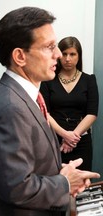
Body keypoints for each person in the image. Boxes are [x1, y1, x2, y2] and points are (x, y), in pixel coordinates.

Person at [0, 7, 100, 216]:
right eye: (50, 47)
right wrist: (65, 183)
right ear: (20, 56)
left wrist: (60, 173)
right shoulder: (10, 108)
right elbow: (17, 188)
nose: (58, 55)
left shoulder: (23, 97)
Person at [40, 36, 99, 171]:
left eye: (72, 54)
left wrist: (72, 138)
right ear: (59, 55)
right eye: (64, 54)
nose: (67, 59)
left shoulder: (89, 80)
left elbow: (92, 113)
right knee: (56, 184)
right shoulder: (48, 80)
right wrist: (65, 135)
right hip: (54, 140)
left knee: (82, 186)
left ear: (79, 56)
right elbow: (44, 112)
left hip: (81, 143)